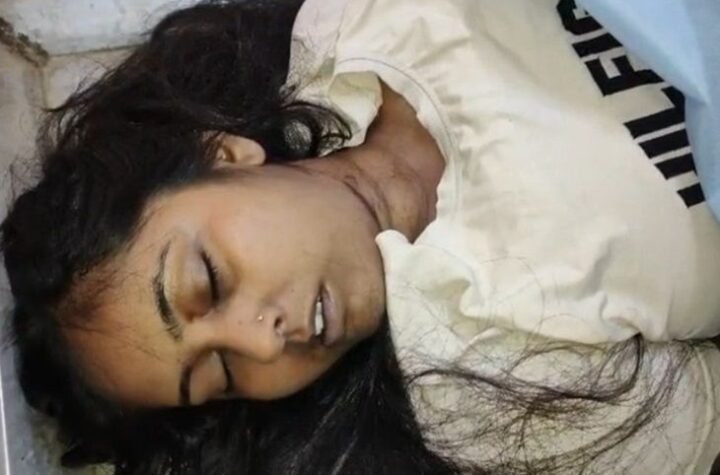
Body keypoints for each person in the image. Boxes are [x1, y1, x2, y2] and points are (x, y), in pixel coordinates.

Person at [2, 0, 720, 473]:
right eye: (222, 372)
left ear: (224, 155)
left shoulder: (361, 21)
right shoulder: (493, 395)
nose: (263, 344)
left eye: (209, 282)